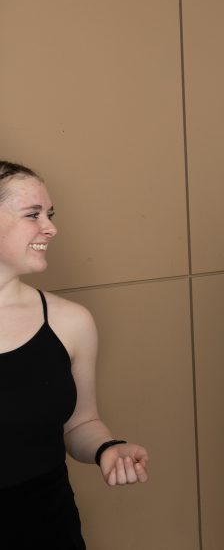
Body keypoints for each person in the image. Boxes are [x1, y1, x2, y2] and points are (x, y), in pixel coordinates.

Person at [0, 161, 150, 549]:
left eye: (49, 215)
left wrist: (107, 448)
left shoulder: (71, 321)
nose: (50, 228)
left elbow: (81, 422)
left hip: (47, 527)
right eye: (33, 214)